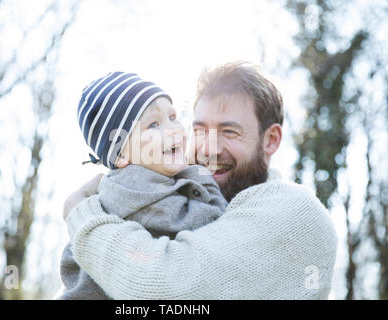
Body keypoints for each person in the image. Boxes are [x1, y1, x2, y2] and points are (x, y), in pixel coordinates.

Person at [62, 61, 338, 299]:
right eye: (200, 130)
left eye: (229, 132)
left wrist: (81, 216)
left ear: (271, 140)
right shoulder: (180, 192)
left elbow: (166, 286)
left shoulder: (295, 213)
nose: (209, 149)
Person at [57, 72, 228, 299]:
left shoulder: (147, 183)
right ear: (120, 156)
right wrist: (201, 174)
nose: (174, 129)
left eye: (173, 117)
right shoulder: (135, 189)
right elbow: (212, 225)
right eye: (154, 125)